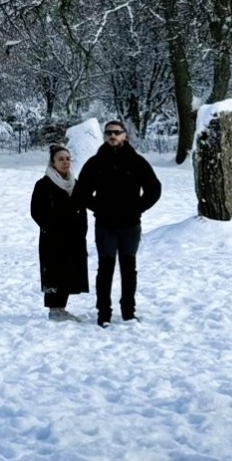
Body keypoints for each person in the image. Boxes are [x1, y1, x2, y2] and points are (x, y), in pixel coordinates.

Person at [71, 119, 162, 327]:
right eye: (109, 133)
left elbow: (154, 189)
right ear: (104, 136)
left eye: (117, 132)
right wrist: (99, 208)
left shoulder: (137, 162)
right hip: (105, 226)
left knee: (129, 269)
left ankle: (128, 312)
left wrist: (139, 207)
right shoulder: (95, 163)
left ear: (124, 135)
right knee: (105, 269)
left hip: (131, 226)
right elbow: (81, 192)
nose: (113, 136)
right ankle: (104, 313)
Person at [29, 144, 88, 321]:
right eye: (61, 159)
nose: (65, 162)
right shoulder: (43, 185)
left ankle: (61, 307)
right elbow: (36, 211)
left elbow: (82, 209)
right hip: (53, 238)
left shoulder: (74, 184)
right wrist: (50, 228)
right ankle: (53, 309)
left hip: (74, 238)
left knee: (69, 272)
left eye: (68, 159)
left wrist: (82, 231)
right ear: (53, 162)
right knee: (54, 271)